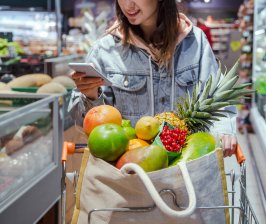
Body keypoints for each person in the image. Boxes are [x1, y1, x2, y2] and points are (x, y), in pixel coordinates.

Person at [69, 0, 237, 157]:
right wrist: (91, 95)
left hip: (187, 165)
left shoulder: (195, 41)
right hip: (130, 170)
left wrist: (224, 130)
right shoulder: (105, 49)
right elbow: (87, 125)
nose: (128, 5)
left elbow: (216, 96)